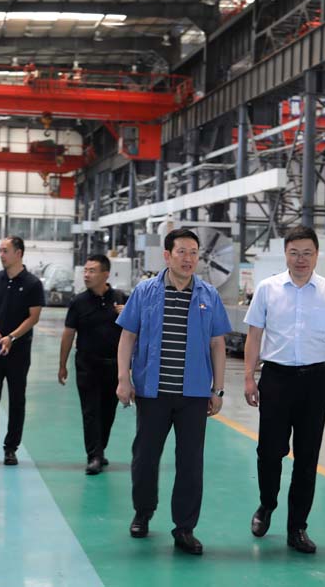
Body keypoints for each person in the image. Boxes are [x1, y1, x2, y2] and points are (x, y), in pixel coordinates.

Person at [115, 228, 231, 556]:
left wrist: (218, 389)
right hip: (152, 392)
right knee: (145, 457)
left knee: (190, 463)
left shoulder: (209, 295)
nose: (188, 258)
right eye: (182, 252)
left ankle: (184, 528)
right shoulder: (145, 291)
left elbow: (217, 344)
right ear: (167, 256)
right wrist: (123, 378)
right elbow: (127, 337)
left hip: (193, 395)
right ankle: (143, 512)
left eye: (194, 252)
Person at [243, 225, 325, 554]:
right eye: (294, 253)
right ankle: (267, 504)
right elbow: (254, 336)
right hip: (276, 378)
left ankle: (297, 527)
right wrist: (248, 377)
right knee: (269, 452)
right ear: (286, 255)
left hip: (314, 381)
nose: (301, 259)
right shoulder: (268, 289)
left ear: (317, 255)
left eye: (307, 253)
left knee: (307, 456)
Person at [58, 254, 128, 475]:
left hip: (113, 366)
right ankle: (93, 456)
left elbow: (136, 331)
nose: (86, 275)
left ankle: (100, 449)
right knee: (90, 412)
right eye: (85, 271)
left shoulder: (121, 299)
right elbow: (68, 334)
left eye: (92, 271)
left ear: (105, 274)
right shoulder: (78, 302)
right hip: (87, 365)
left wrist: (128, 315)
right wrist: (62, 365)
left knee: (108, 412)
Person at [0, 235, 45, 468]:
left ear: (19, 253)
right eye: (0, 250)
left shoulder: (32, 284)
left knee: (17, 399)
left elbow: (33, 316)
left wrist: (12, 337)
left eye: (5, 250)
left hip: (19, 350)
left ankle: (11, 449)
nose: (1, 254)